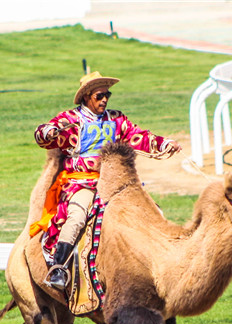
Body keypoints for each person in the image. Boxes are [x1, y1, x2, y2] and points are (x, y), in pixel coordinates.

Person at [32, 71, 181, 290]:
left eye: (107, 96)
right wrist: (48, 131)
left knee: (153, 211)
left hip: (115, 182)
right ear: (87, 97)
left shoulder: (117, 119)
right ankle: (59, 268)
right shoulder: (70, 120)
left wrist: (164, 143)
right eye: (99, 96)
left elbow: (138, 136)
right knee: (77, 215)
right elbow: (42, 136)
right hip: (82, 183)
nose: (104, 100)